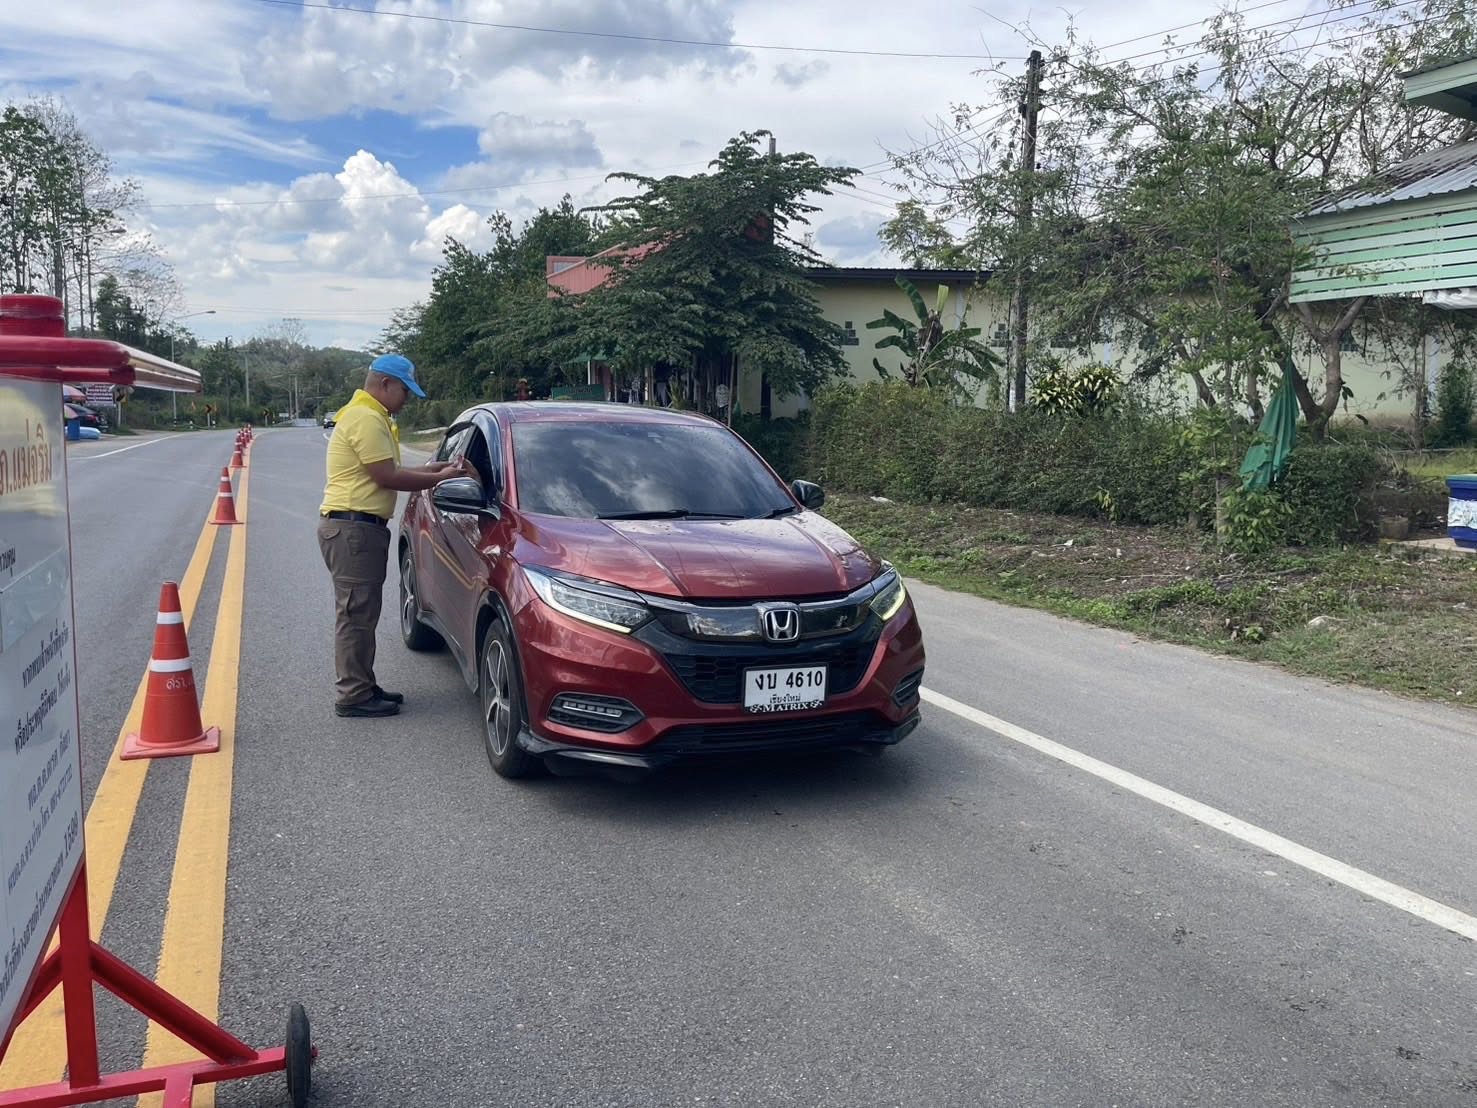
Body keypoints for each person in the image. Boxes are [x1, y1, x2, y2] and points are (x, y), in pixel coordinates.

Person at [318, 354, 471, 718]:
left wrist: (437, 468)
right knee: (356, 615)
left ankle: (363, 684)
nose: (407, 400)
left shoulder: (372, 416)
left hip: (358, 529)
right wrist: (440, 478)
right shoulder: (365, 418)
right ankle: (353, 695)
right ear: (385, 384)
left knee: (363, 612)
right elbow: (387, 477)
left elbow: (394, 468)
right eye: (405, 391)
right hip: (354, 529)